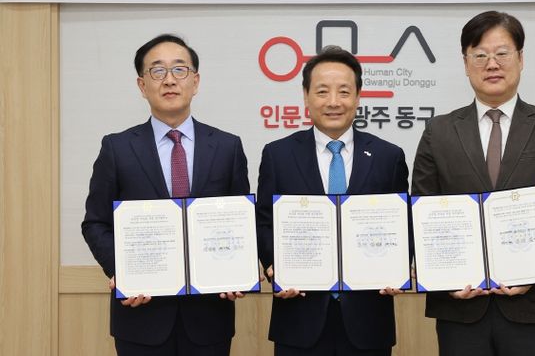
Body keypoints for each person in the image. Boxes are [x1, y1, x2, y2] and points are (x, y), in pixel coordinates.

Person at [412, 11, 535, 356]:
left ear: (521, 59)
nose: (491, 64)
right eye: (480, 55)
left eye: (502, 53)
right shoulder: (439, 132)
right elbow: (423, 209)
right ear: (465, 63)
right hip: (460, 305)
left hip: (534, 302)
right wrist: (445, 279)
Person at [82, 34, 250, 356]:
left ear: (195, 82)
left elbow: (240, 220)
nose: (169, 80)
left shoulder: (227, 147)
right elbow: (95, 223)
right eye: (157, 71)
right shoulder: (117, 148)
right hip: (141, 317)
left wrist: (237, 270)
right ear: (142, 85)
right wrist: (123, 271)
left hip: (208, 317)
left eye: (179, 70)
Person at [256, 45, 410, 356]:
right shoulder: (278, 155)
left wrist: (398, 268)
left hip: (369, 320)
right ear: (306, 96)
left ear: (358, 96)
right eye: (322, 91)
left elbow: (403, 223)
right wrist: (275, 267)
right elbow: (264, 220)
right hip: (299, 316)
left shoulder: (388, 156)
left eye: (344, 91)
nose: (334, 102)